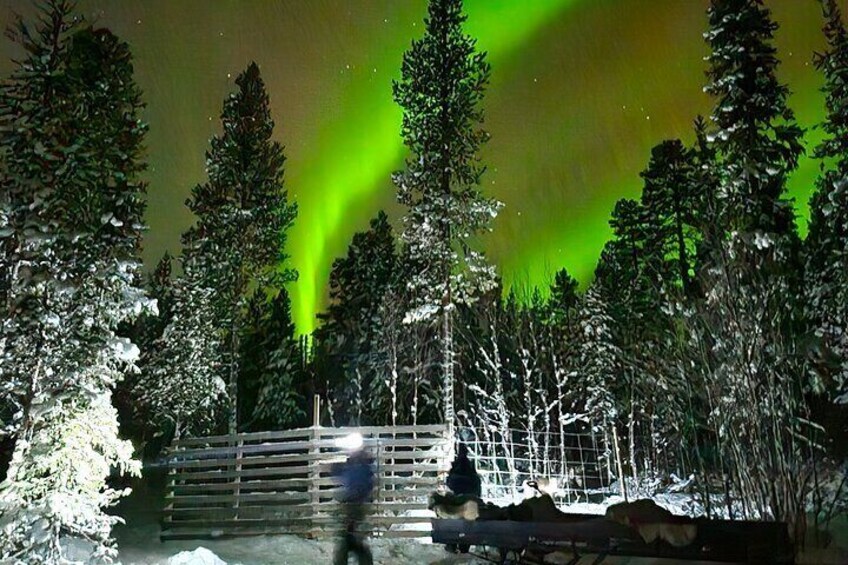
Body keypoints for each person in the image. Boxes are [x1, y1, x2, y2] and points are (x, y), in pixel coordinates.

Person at [333, 444, 375, 565]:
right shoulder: (353, 467)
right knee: (350, 536)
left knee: (351, 537)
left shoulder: (363, 469)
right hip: (351, 504)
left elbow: (365, 485)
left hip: (356, 505)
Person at [444, 442, 481, 553]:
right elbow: (478, 492)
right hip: (470, 508)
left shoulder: (455, 473)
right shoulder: (472, 473)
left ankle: (452, 546)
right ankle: (464, 548)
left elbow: (450, 486)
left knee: (453, 521)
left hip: (456, 509)